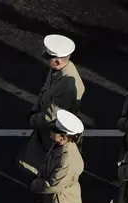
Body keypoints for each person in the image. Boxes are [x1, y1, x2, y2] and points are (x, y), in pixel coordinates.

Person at [18, 34, 85, 176]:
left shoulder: (66, 84)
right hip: (48, 128)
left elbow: (51, 115)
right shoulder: (59, 70)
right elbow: (45, 92)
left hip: (55, 131)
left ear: (56, 61)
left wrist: (33, 119)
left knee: (52, 169)